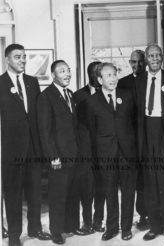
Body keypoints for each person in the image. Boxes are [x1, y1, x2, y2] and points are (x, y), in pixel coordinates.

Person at [0, 44, 51, 246]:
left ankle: (35, 228)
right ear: (7, 60)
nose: (22, 60)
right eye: (17, 57)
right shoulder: (0, 83)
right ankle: (14, 236)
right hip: (11, 150)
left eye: (24, 57)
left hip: (33, 149)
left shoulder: (32, 82)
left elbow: (37, 116)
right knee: (12, 194)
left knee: (35, 191)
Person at [86, 63, 137, 241]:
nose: (113, 78)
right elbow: (92, 132)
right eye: (108, 75)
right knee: (109, 192)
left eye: (114, 74)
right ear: (100, 80)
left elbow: (135, 123)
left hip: (127, 153)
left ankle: (126, 228)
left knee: (129, 191)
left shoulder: (128, 95)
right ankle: (112, 227)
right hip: (106, 154)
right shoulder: (92, 102)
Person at [135, 44, 164, 244]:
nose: (155, 58)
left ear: (162, 57)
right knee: (149, 184)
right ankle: (155, 226)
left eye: (158, 55)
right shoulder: (139, 81)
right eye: (151, 56)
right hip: (146, 133)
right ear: (146, 59)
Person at [37, 60, 80, 244]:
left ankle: (68, 227)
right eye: (62, 71)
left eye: (68, 70)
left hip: (73, 154)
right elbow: (44, 130)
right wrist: (53, 156)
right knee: (57, 195)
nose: (67, 74)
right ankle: (56, 231)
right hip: (58, 156)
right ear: (53, 75)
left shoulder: (69, 93)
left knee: (70, 193)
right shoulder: (46, 96)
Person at [118, 49, 149, 230]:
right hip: (129, 139)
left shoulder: (151, 79)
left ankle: (146, 215)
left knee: (146, 179)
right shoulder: (122, 83)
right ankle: (131, 220)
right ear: (130, 63)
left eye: (140, 62)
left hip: (147, 137)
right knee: (131, 181)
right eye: (134, 62)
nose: (137, 65)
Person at [73, 61, 106, 234]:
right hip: (84, 151)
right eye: (97, 72)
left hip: (103, 151)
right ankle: (86, 222)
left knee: (102, 187)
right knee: (86, 188)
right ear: (90, 74)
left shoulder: (109, 93)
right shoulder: (77, 96)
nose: (100, 74)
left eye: (102, 71)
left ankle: (98, 221)